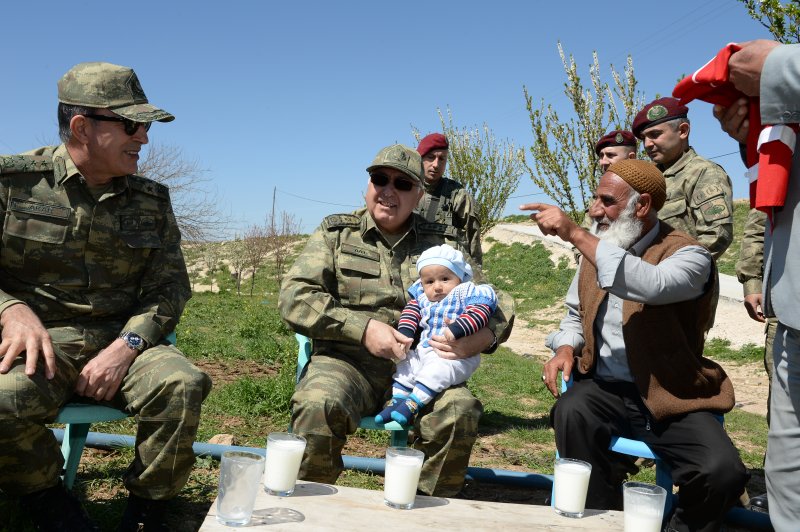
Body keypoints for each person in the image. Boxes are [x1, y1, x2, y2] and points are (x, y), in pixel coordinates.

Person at [0, 62, 212, 532]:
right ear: (82, 127)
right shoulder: (11, 184)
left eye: (146, 126)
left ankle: (149, 509)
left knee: (182, 384)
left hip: (126, 341)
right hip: (41, 344)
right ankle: (47, 501)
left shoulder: (151, 200)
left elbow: (170, 286)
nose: (144, 138)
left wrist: (126, 346)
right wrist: (10, 309)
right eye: (132, 125)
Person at [522, 159, 747, 531]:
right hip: (607, 388)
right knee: (571, 411)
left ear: (642, 205)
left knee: (722, 472)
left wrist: (575, 233)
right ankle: (594, 516)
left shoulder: (689, 255)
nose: (595, 210)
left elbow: (651, 284)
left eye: (607, 201)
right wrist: (565, 348)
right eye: (595, 198)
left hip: (672, 393)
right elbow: (575, 314)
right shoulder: (600, 247)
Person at [279, 143, 513, 497]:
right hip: (347, 363)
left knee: (459, 411)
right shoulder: (336, 235)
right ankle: (310, 505)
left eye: (403, 184)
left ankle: (427, 508)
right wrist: (361, 329)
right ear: (368, 185)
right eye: (380, 179)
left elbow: (497, 298)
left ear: (419, 195)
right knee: (317, 404)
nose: (389, 191)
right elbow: (295, 296)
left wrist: (486, 336)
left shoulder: (442, 243)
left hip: (422, 368)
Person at [712, 39, 800, 531]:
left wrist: (778, 69)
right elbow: (766, 209)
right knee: (788, 474)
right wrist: (768, 117)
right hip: (790, 307)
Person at [373, 243, 497, 425]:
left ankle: (412, 404)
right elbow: (410, 313)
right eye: (429, 282)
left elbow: (479, 311)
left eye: (445, 279)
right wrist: (405, 333)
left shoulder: (466, 292)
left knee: (437, 372)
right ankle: (396, 402)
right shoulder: (422, 297)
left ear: (459, 277)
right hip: (425, 349)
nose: (437, 287)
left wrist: (458, 328)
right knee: (407, 366)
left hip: (453, 355)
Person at [632, 97, 734, 260]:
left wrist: (673, 269)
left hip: (679, 274)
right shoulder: (648, 178)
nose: (647, 144)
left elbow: (716, 235)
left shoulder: (703, 172)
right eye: (643, 138)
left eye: (655, 135)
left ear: (683, 131)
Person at [415, 133, 483, 265]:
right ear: (420, 158)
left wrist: (476, 272)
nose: (436, 164)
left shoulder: (458, 196)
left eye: (442, 159)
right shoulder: (403, 189)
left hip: (446, 270)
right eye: (431, 157)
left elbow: (473, 240)